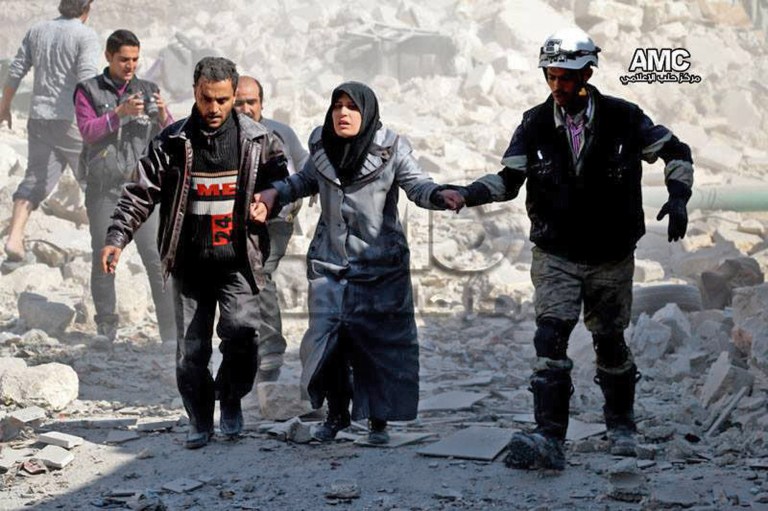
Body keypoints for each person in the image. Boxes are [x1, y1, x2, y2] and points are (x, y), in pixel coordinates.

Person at [455, 28, 694, 470]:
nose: (557, 86)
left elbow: (676, 151)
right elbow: (507, 182)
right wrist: (466, 194)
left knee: (609, 340)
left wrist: (678, 196)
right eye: (550, 76)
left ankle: (621, 425)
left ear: (587, 72)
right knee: (550, 337)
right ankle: (550, 437)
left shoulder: (624, 117)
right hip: (555, 253)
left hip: (611, 254)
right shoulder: (533, 123)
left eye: (565, 77)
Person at [251, 82, 463, 445]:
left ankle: (378, 420)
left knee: (378, 346)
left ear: (367, 113)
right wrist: (274, 193)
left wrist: (440, 195)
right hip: (330, 263)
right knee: (327, 342)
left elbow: (417, 184)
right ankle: (336, 415)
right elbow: (305, 180)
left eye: (352, 107)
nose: (343, 113)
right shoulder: (321, 144)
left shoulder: (391, 147)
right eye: (338, 106)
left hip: (380, 266)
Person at [101, 57, 289, 449]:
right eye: (207, 99)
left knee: (242, 335)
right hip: (189, 264)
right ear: (195, 93)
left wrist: (270, 203)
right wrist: (117, 237)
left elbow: (282, 187)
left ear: (234, 95)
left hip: (238, 262)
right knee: (191, 350)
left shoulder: (260, 141)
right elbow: (140, 192)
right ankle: (200, 419)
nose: (215, 108)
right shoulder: (172, 141)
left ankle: (231, 398)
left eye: (223, 100)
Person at [74, 29, 176, 345]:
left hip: (143, 190)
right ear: (108, 56)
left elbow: (172, 137)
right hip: (104, 190)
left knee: (157, 258)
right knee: (105, 256)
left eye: (134, 59)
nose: (130, 66)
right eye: (123, 60)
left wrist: (161, 115)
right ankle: (106, 326)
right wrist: (118, 115)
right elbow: (88, 132)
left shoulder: (148, 89)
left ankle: (171, 333)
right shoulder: (88, 91)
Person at [1, 0, 100, 265]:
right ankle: (105, 241)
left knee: (35, 177)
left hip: (39, 118)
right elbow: (87, 79)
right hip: (70, 121)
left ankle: (14, 237)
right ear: (86, 9)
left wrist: (4, 106)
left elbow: (15, 71)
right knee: (94, 179)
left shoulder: (37, 30)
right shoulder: (85, 35)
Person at [234, 75, 309, 382]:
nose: (245, 108)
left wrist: (294, 199)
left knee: (260, 270)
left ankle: (271, 352)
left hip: (277, 220)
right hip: (236, 222)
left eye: (251, 102)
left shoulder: (281, 132)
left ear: (261, 104)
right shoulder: (222, 135)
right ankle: (244, 350)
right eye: (238, 102)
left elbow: (305, 166)